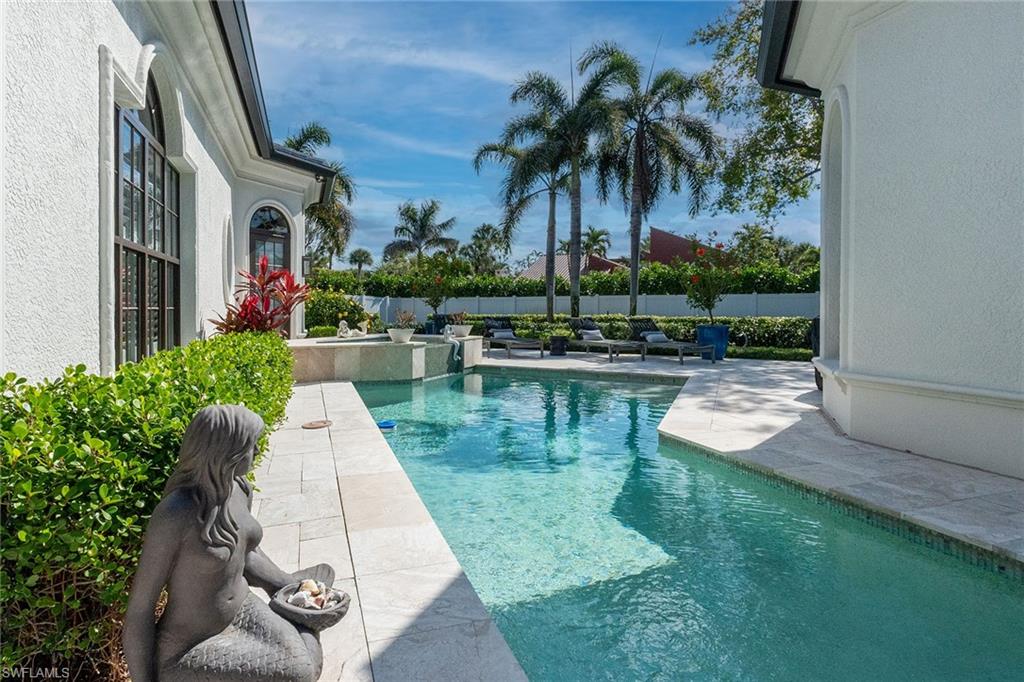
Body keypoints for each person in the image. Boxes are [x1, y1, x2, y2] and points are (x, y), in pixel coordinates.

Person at [123, 405, 335, 681]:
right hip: (190, 646)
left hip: (243, 609)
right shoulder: (176, 513)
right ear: (226, 449)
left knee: (307, 637)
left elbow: (246, 556)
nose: (258, 452)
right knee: (300, 671)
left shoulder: (238, 488)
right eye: (251, 445)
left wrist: (289, 587)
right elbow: (139, 610)